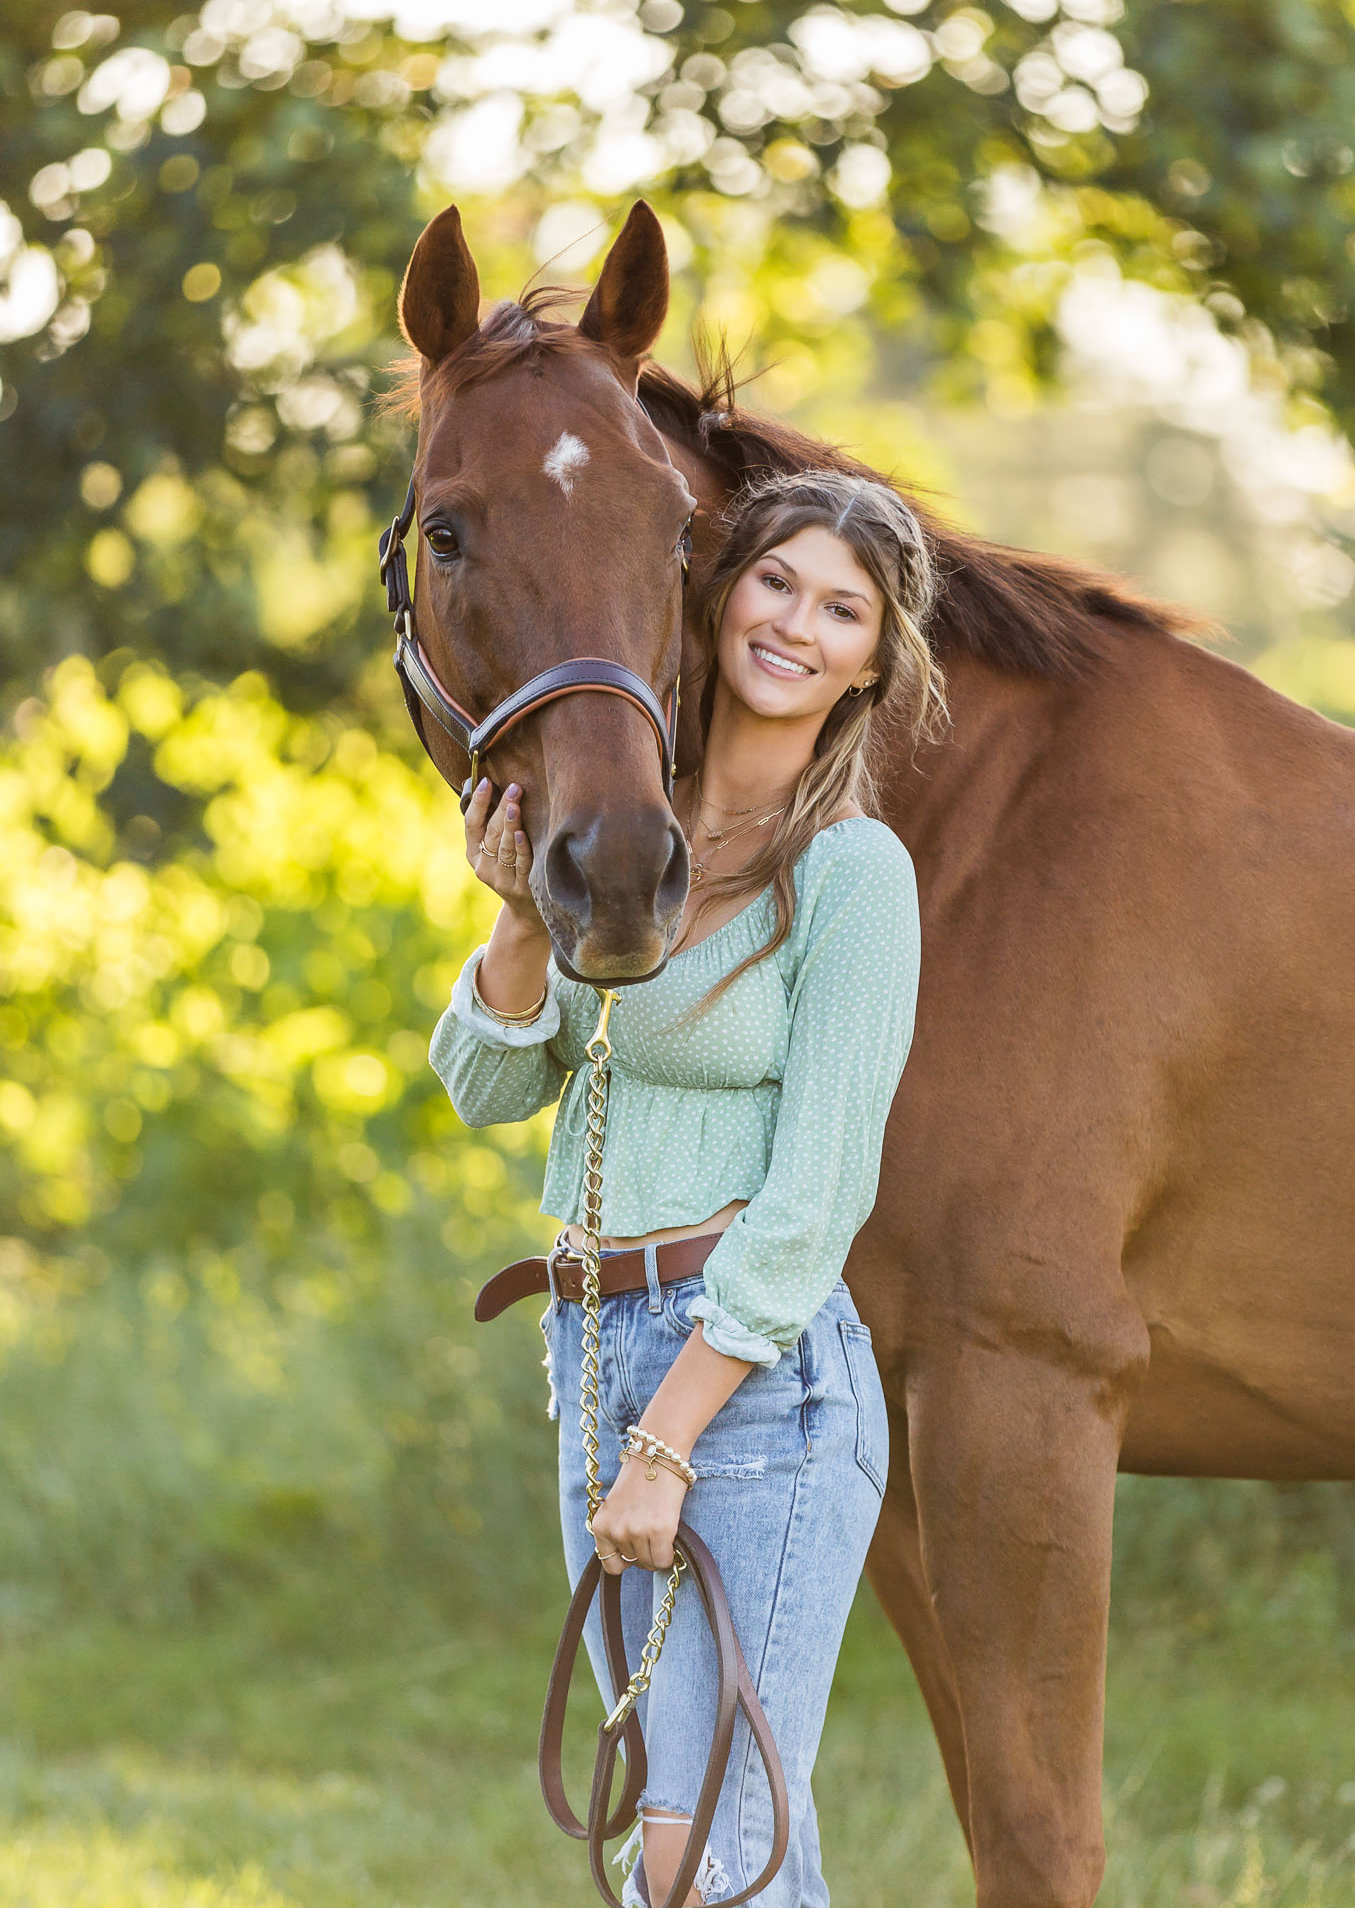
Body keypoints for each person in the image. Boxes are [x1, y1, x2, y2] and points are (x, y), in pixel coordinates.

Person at [429, 467, 945, 1907]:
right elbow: (488, 1087)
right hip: (593, 1349)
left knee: (710, 1849)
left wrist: (667, 1437)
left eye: (843, 610)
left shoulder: (850, 877)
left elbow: (822, 1189)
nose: (797, 624)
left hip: (750, 1385)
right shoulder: (630, 846)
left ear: (869, 665)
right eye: (777, 581)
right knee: (681, 1831)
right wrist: (520, 922)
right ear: (717, 596)